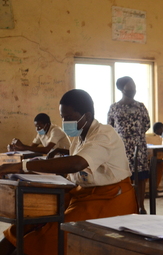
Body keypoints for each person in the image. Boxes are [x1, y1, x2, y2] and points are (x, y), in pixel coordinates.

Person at [0, 89, 137, 255]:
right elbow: (73, 173)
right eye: (62, 117)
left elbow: (77, 163)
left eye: (69, 118)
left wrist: (23, 166)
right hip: (81, 194)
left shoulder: (104, 134)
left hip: (110, 198)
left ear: (86, 116)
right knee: (30, 219)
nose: (65, 122)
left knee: (55, 232)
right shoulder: (79, 138)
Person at [107, 76, 150, 214]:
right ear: (121, 89)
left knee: (141, 177)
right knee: (123, 177)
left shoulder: (140, 106)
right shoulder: (114, 107)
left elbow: (147, 124)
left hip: (139, 147)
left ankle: (141, 206)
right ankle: (126, 206)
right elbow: (110, 127)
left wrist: (135, 136)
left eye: (134, 86)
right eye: (129, 86)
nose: (133, 89)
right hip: (121, 148)